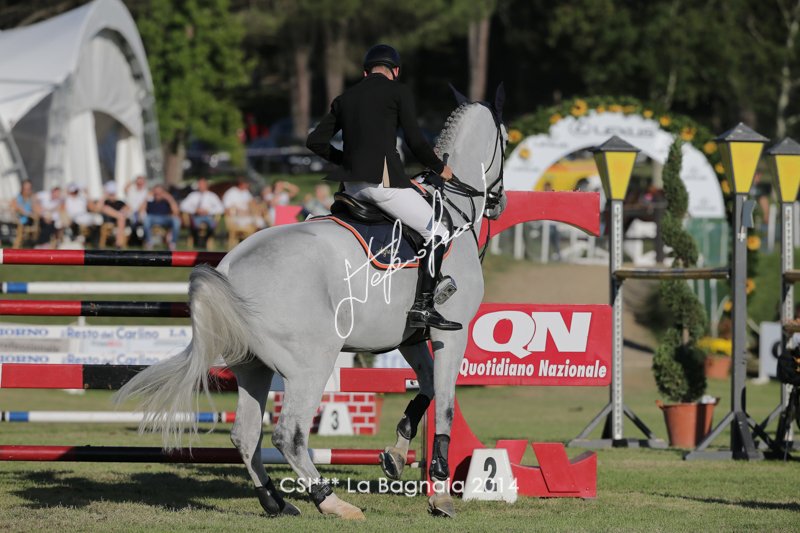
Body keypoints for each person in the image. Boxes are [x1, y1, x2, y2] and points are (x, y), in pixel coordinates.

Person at [306, 44, 459, 331]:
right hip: (382, 185)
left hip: (350, 188)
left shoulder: (345, 98)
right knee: (438, 231)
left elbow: (314, 141)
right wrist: (441, 168)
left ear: (366, 72)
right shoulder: (398, 92)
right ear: (396, 71)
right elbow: (416, 142)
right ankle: (424, 306)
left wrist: (348, 162)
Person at [180, 177, 224, 246]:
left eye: (202, 184)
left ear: (206, 185)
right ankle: (197, 241)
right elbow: (183, 206)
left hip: (208, 217)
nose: (201, 186)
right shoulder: (193, 195)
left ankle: (205, 240)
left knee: (212, 225)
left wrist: (208, 211)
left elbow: (221, 208)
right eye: (200, 184)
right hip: (196, 217)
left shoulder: (212, 196)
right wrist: (195, 210)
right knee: (194, 225)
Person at [142, 184, 181, 250]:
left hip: (165, 218)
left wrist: (170, 199)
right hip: (152, 218)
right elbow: (141, 209)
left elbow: (176, 211)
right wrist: (146, 199)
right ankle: (149, 242)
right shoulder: (150, 199)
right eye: (156, 193)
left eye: (159, 193)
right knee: (146, 219)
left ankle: (172, 243)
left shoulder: (167, 200)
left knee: (176, 220)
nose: (157, 194)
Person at [100, 181, 130, 248]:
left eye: (113, 194)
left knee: (121, 218)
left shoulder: (120, 202)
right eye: (110, 194)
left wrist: (123, 212)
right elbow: (98, 208)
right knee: (106, 209)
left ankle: (119, 244)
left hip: (119, 221)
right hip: (109, 220)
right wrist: (104, 196)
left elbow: (128, 209)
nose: (112, 195)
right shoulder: (105, 202)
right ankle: (119, 244)